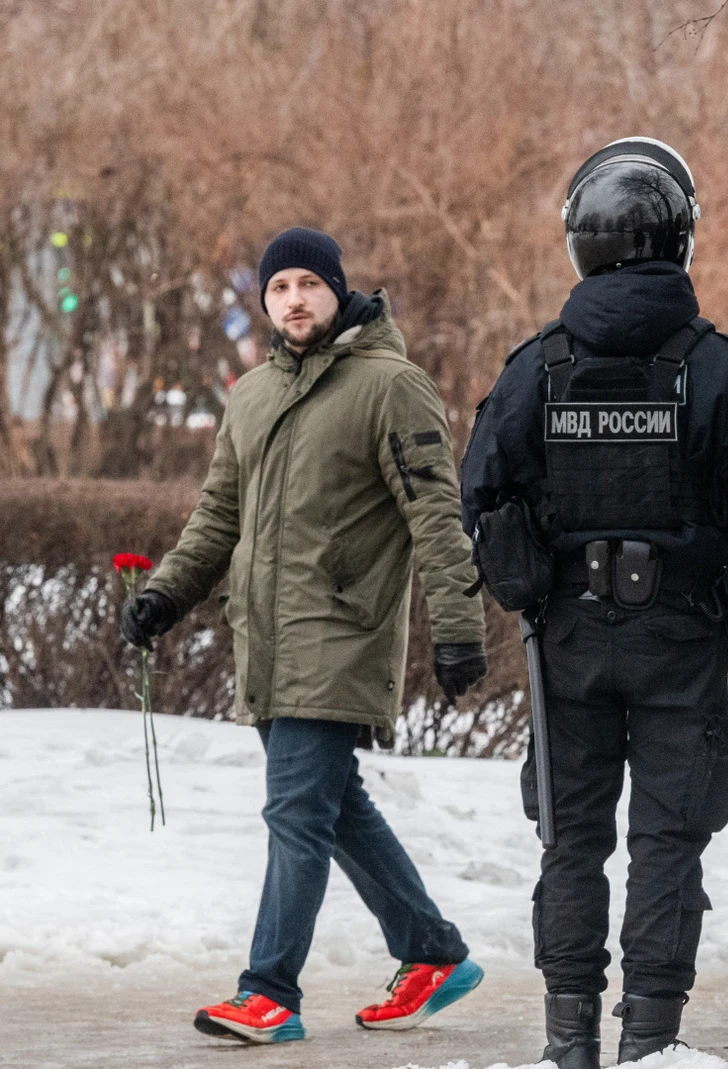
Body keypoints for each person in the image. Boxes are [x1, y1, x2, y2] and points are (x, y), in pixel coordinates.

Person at [119, 227, 487, 1045]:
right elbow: (219, 515)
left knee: (295, 809)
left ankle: (270, 990)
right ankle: (432, 952)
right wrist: (165, 595)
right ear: (265, 301)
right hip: (269, 641)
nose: (293, 299)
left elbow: (436, 515)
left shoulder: (392, 386)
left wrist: (458, 629)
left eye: (307, 284)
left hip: (341, 634)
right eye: (278, 287)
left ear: (337, 289)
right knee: (329, 807)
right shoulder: (252, 395)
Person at [459, 138, 728, 1069]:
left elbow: (481, 487)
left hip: (570, 636)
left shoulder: (534, 366)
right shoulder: (722, 369)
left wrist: (525, 574)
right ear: (683, 241)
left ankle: (570, 1039)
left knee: (571, 841)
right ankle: (652, 1041)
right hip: (684, 629)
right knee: (670, 838)